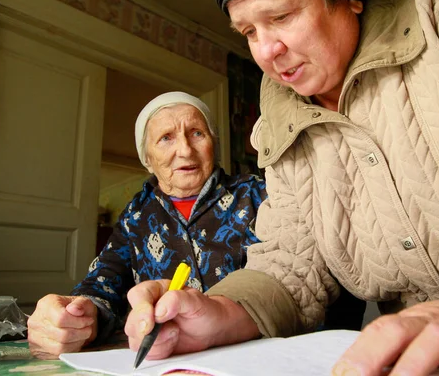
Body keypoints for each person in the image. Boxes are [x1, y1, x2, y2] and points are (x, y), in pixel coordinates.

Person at [124, 0, 439, 374]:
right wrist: (222, 310)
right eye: (248, 31)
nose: (265, 51)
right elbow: (292, 258)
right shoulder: (280, 106)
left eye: (280, 16)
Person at [27, 92, 268, 357]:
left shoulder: (255, 194)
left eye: (197, 133)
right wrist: (79, 315)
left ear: (213, 144)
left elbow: (291, 274)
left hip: (256, 349)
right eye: (166, 138)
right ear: (148, 159)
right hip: (170, 357)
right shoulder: (137, 215)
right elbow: (104, 280)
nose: (185, 150)